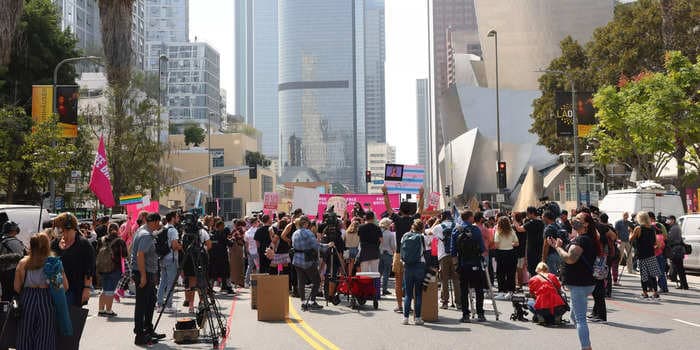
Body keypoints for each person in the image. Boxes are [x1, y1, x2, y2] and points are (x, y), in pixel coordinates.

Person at [548, 212, 600, 350]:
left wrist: (557, 247)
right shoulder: (587, 238)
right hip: (585, 283)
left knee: (580, 319)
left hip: (580, 284)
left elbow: (570, 258)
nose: (574, 221)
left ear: (586, 224)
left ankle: (586, 347)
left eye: (578, 219)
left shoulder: (582, 240)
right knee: (575, 317)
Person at [14, 232, 69, 350]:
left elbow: (17, 287)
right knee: (45, 337)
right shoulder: (53, 263)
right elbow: (64, 287)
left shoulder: (23, 263)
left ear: (31, 246)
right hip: (46, 301)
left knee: (25, 335)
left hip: (27, 301)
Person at [382, 185, 424, 313]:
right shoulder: (414, 220)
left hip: (399, 254)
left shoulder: (397, 219)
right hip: (413, 255)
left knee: (398, 281)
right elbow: (421, 208)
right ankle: (409, 306)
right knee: (410, 282)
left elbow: (388, 208)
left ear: (400, 210)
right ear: (410, 211)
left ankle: (400, 306)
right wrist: (422, 195)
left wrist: (385, 193)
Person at [131, 213, 166, 346]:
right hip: (143, 272)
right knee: (142, 304)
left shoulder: (142, 231)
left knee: (150, 301)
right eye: (158, 223)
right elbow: (140, 255)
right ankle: (140, 335)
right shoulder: (145, 234)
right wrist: (143, 275)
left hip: (147, 271)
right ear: (153, 222)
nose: (159, 225)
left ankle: (148, 330)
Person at [50, 212, 95, 307]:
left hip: (74, 290)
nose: (58, 231)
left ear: (69, 227)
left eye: (60, 228)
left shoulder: (83, 244)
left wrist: (87, 289)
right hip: (56, 288)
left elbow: (89, 269)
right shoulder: (54, 244)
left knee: (71, 320)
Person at [291, 216, 332, 310]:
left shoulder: (295, 233)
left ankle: (303, 302)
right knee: (317, 280)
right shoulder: (308, 232)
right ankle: (312, 301)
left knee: (300, 281)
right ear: (305, 223)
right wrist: (327, 246)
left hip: (297, 260)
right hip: (307, 260)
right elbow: (316, 246)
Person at [452, 211, 486, 322]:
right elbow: (482, 248)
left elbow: (453, 251)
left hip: (463, 263)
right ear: (470, 218)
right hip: (475, 263)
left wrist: (456, 265)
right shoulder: (476, 230)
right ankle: (480, 313)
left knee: (464, 289)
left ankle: (465, 314)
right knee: (478, 289)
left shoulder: (456, 230)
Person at [400, 219, 428, 325]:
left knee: (408, 293)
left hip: (407, 266)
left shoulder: (405, 236)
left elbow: (401, 249)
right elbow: (427, 250)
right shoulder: (422, 237)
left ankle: (405, 318)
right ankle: (417, 318)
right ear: (421, 228)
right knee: (418, 293)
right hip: (419, 265)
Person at [97, 223, 128, 317]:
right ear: (118, 230)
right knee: (110, 290)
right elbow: (125, 254)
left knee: (104, 289)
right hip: (114, 268)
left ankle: (101, 310)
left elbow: (97, 251)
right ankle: (109, 310)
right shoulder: (120, 241)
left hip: (102, 268)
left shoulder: (101, 240)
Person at [433, 210, 460, 309]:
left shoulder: (438, 227)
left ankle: (445, 302)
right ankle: (459, 303)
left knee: (444, 279)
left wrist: (437, 221)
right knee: (456, 279)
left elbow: (429, 233)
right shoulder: (456, 225)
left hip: (443, 255)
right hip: (455, 255)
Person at [630, 212, 661, 299]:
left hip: (642, 255)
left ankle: (645, 292)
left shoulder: (638, 228)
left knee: (644, 275)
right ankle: (655, 292)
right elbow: (655, 242)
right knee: (653, 274)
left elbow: (631, 240)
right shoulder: (652, 229)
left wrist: (630, 232)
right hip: (651, 254)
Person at [156, 211, 182, 313]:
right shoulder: (173, 230)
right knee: (171, 283)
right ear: (172, 218)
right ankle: (168, 305)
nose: (178, 218)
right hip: (171, 258)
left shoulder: (163, 228)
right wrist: (181, 246)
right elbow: (175, 246)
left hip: (162, 257)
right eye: (177, 217)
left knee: (163, 281)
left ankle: (159, 304)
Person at [0, 221, 26, 302]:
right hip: (15, 272)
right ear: (14, 230)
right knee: (16, 295)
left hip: (4, 273)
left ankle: (6, 313)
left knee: (6, 296)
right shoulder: (16, 242)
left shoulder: (3, 241)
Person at [494, 216, 519, 300]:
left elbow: (496, 245)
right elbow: (517, 243)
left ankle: (501, 291)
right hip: (511, 253)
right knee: (510, 273)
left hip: (501, 253)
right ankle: (511, 291)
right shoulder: (512, 231)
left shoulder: (498, 232)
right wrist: (510, 244)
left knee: (500, 273)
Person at [209, 220, 234, 293]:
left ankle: (210, 287)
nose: (223, 227)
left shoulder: (211, 235)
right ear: (219, 226)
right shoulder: (222, 235)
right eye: (222, 226)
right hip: (222, 257)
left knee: (213, 273)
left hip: (213, 257)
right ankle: (227, 287)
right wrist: (232, 240)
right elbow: (229, 244)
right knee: (226, 272)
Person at [666, 216, 689, 290]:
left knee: (679, 268)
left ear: (672, 220)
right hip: (678, 250)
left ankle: (684, 285)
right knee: (679, 268)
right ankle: (683, 284)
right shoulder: (676, 227)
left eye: (668, 220)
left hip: (676, 250)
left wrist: (666, 238)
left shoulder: (674, 228)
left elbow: (670, 239)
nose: (667, 221)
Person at [522, 207, 544, 279]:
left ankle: (534, 284)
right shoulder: (542, 222)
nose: (527, 215)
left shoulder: (532, 223)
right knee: (539, 269)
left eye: (527, 213)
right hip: (540, 249)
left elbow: (519, 229)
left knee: (532, 270)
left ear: (532, 213)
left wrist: (514, 219)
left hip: (532, 250)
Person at [541, 211, 563, 276]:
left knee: (551, 277)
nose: (542, 218)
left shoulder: (548, 228)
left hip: (551, 255)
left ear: (546, 218)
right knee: (560, 277)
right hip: (560, 254)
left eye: (542, 217)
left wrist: (543, 259)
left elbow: (546, 244)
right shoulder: (559, 226)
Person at [378, 218, 396, 295]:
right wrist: (395, 252)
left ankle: (377, 288)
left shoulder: (378, 233)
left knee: (379, 272)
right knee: (386, 273)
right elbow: (393, 246)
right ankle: (384, 289)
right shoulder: (390, 234)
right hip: (388, 254)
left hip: (379, 253)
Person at [512, 212, 528, 290]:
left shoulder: (515, 227)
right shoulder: (523, 226)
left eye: (512, 217)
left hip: (515, 250)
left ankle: (518, 284)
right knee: (519, 269)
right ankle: (519, 285)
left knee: (518, 269)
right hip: (521, 250)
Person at [614, 212, 633, 277]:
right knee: (620, 255)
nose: (626, 216)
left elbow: (632, 230)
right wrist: (617, 239)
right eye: (625, 215)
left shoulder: (629, 223)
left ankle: (630, 269)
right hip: (621, 240)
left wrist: (630, 236)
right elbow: (616, 231)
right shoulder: (618, 222)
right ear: (623, 215)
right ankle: (616, 269)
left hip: (627, 240)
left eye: (627, 215)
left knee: (629, 254)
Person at [244, 217, 260, 287]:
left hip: (250, 250)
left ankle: (247, 282)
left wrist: (247, 250)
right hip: (256, 250)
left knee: (250, 266)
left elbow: (246, 243)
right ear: (254, 223)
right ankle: (256, 282)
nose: (258, 223)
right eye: (257, 222)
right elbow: (258, 242)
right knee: (258, 267)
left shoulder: (247, 232)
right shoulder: (258, 231)